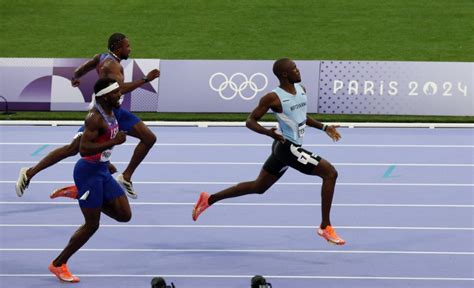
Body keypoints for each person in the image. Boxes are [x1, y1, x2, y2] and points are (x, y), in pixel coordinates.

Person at [192, 58, 345, 245]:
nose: (299, 71)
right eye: (294, 69)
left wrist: (324, 127)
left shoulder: (302, 90)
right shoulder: (273, 98)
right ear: (284, 74)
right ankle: (325, 226)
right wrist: (269, 134)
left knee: (259, 187)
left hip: (284, 148)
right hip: (287, 147)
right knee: (330, 173)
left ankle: (209, 199)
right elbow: (250, 121)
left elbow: (301, 117)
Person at [15, 32, 160, 199]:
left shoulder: (101, 57)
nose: (130, 49)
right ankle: (29, 172)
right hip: (102, 112)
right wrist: (145, 79)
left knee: (149, 138)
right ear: (118, 47)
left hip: (116, 110)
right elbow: (119, 89)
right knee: (73, 149)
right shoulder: (112, 66)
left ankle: (126, 177)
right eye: (127, 46)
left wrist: (76, 77)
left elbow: (82, 68)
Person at [48, 78, 131, 282]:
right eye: (115, 92)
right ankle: (58, 264)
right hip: (88, 173)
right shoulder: (94, 118)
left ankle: (81, 194)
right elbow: (83, 150)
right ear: (104, 96)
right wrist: (114, 142)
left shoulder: (112, 113)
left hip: (101, 169)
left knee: (124, 215)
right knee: (92, 224)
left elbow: (100, 144)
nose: (120, 95)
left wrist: (106, 159)